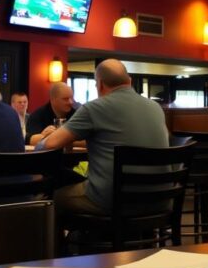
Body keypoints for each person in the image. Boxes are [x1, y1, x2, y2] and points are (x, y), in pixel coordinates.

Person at [42, 59, 170, 214]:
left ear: (100, 84)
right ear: (129, 81)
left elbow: (51, 144)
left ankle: (79, 238)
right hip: (161, 199)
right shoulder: (155, 108)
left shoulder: (94, 107)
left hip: (115, 202)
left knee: (56, 196)